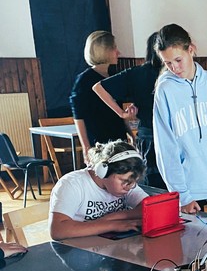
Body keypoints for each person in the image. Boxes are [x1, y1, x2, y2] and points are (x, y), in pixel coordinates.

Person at [153, 24, 207, 217]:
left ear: (191, 50)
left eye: (178, 60)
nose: (174, 68)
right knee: (193, 237)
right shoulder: (165, 90)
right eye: (168, 63)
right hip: (189, 188)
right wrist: (181, 195)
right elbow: (165, 148)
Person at [93, 32, 166, 189]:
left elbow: (99, 87)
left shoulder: (138, 72)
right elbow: (98, 87)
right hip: (164, 134)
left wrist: (122, 113)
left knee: (152, 184)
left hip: (147, 134)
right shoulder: (172, 73)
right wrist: (122, 113)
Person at [48, 140, 147, 241]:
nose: (129, 187)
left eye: (133, 182)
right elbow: (57, 230)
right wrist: (113, 225)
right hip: (79, 245)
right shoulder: (72, 184)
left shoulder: (126, 184)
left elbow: (149, 209)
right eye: (124, 181)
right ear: (103, 171)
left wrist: (112, 217)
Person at [69, 31, 128, 164]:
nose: (118, 52)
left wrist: (129, 133)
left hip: (118, 136)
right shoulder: (84, 80)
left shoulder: (114, 75)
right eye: (114, 48)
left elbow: (118, 110)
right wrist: (86, 147)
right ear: (104, 51)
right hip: (98, 140)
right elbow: (78, 116)